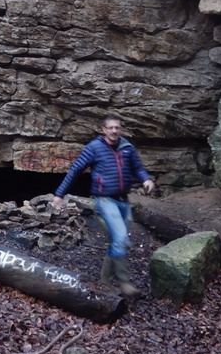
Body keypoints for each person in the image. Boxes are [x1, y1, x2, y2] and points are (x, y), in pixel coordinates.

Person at [51, 115, 155, 297]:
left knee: (118, 241)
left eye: (117, 128)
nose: (114, 131)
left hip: (123, 199)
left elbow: (137, 168)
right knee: (121, 238)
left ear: (120, 129)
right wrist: (59, 194)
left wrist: (146, 179)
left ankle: (105, 282)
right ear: (103, 129)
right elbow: (75, 170)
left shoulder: (127, 147)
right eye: (110, 127)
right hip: (105, 199)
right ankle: (124, 281)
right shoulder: (94, 148)